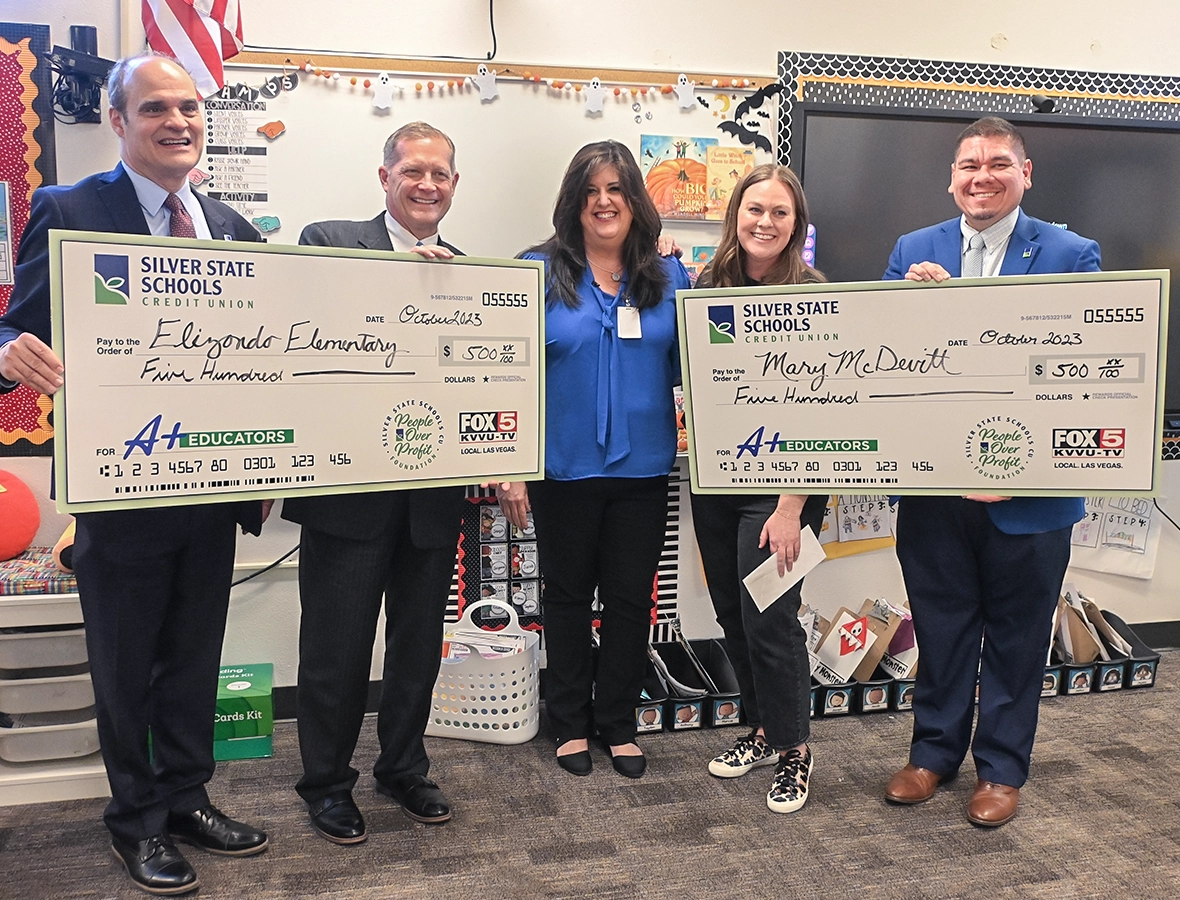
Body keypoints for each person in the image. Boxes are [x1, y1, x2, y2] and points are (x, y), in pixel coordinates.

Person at [0, 53, 269, 895]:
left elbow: (275, 347)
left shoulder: (232, 225)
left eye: (188, 107)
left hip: (213, 488)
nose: (177, 122)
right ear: (119, 121)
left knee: (194, 657)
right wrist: (9, 355)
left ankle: (187, 798)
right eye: (156, 108)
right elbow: (14, 329)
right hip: (122, 492)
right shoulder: (70, 209)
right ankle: (137, 823)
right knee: (125, 666)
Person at [882, 116, 1100, 827]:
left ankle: (1001, 772)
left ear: (1025, 174)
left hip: (1028, 498)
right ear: (952, 178)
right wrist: (912, 311)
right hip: (936, 493)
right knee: (941, 628)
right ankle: (932, 755)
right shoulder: (913, 252)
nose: (983, 175)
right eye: (970, 164)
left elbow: (1086, 376)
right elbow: (879, 366)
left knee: (1016, 635)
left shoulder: (1072, 254)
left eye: (999, 163)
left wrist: (1026, 466)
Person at [280, 122, 465, 843]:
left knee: (417, 647)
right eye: (413, 171)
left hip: (430, 499)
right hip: (346, 501)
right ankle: (326, 784)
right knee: (337, 651)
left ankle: (403, 768)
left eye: (441, 174)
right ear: (384, 178)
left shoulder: (464, 271)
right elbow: (309, 326)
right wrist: (402, 279)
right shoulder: (328, 239)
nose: (427, 185)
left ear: (454, 186)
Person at [497, 141, 691, 778]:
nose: (604, 202)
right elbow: (508, 374)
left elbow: (698, 369)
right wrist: (510, 462)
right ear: (574, 202)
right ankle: (571, 724)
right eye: (591, 191)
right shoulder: (536, 270)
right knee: (568, 598)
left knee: (634, 600)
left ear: (635, 200)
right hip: (564, 468)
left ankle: (619, 724)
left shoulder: (669, 277)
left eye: (616, 189)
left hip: (643, 469)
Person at [689, 165, 829, 814]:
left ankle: (795, 752)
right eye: (755, 210)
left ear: (795, 224)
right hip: (716, 479)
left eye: (779, 212)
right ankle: (763, 728)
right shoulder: (706, 285)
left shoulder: (814, 294)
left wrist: (790, 507)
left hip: (782, 489)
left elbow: (821, 406)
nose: (764, 222)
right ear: (735, 215)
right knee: (731, 614)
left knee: (771, 619)